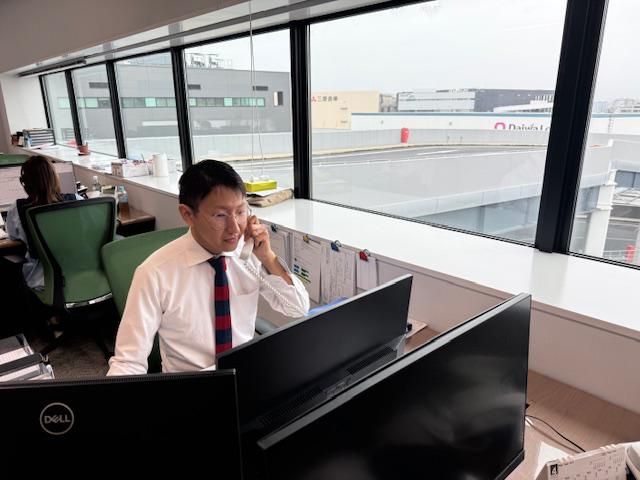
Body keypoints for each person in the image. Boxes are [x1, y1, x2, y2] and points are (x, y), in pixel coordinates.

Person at [107, 160, 310, 375]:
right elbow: (128, 361)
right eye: (220, 215)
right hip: (192, 383)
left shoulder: (249, 255)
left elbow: (298, 308)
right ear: (187, 215)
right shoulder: (154, 273)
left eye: (241, 212)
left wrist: (268, 257)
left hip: (245, 374)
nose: (234, 228)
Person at [6, 155, 80, 290]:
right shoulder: (77, 200)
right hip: (82, 275)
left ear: (25, 183)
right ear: (55, 178)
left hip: (43, 281)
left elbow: (13, 237)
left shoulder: (17, 209)